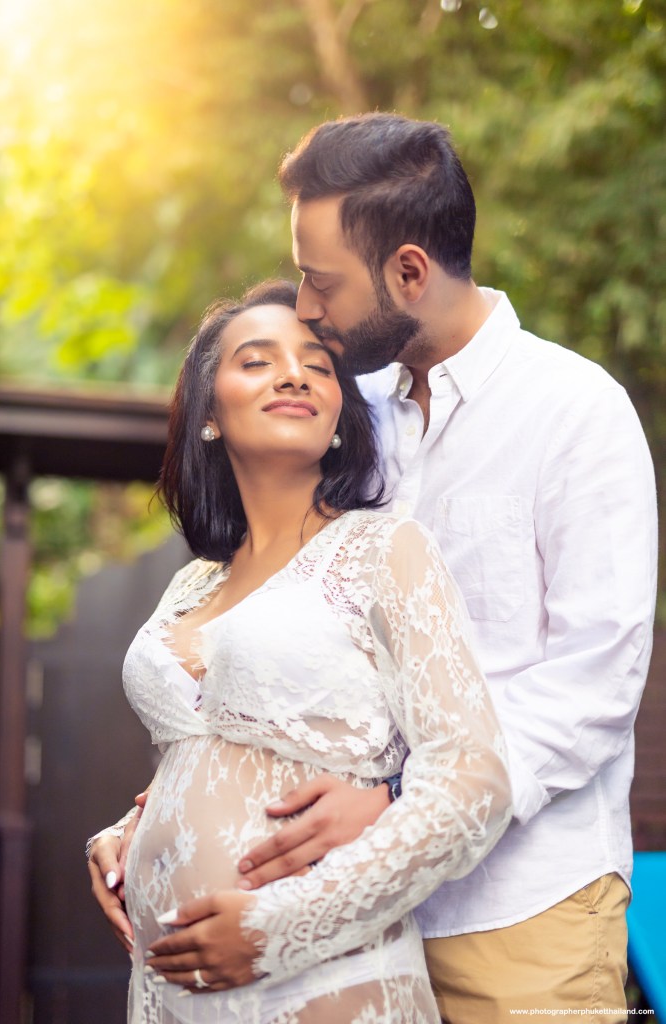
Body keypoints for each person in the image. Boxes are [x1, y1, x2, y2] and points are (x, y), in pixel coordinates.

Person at [91, 114, 657, 1022]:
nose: (306, 310)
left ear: (407, 272)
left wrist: (394, 803)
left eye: (322, 285)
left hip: (514, 913)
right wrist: (158, 819)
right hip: (335, 923)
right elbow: (303, 671)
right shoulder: (346, 414)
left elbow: (595, 681)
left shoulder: (575, 413)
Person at [87, 278, 511, 1023]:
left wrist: (277, 930)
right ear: (209, 414)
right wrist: (126, 838)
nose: (292, 374)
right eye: (256, 361)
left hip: (323, 984)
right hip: (168, 997)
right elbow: (209, 754)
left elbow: (473, 782)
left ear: (342, 416)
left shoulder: (385, 549)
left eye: (316, 366)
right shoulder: (188, 585)